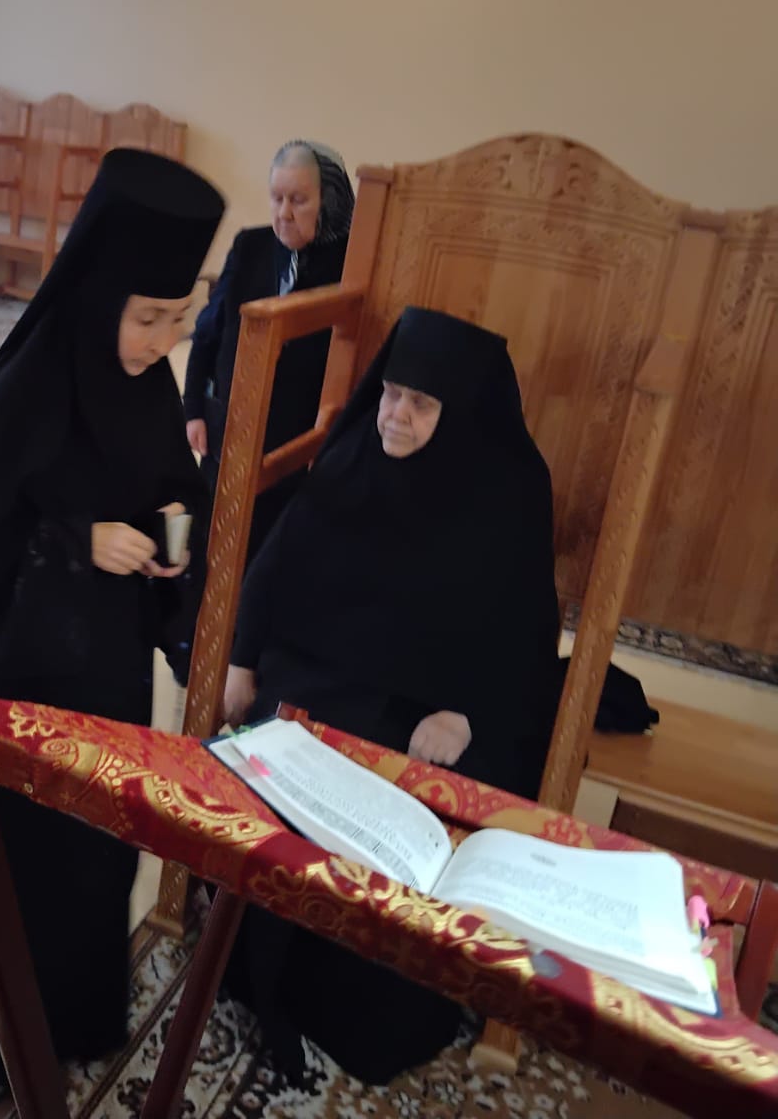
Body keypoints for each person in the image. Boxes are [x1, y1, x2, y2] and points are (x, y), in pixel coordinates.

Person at [0, 148, 226, 1085]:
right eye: (148, 317)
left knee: (90, 853)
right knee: (17, 856)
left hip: (104, 668)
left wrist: (171, 541)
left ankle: (72, 1017)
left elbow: (171, 488)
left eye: (178, 318)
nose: (163, 340)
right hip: (13, 675)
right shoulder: (27, 384)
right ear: (99, 295)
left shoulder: (149, 385)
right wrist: (78, 540)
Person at [220, 306, 564, 1085]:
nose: (394, 415)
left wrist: (465, 713)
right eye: (391, 393)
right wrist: (241, 659)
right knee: (280, 769)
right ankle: (256, 971)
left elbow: (521, 636)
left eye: (420, 403)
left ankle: (349, 1006)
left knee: (416, 802)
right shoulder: (354, 457)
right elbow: (278, 562)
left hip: (425, 708)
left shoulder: (508, 493)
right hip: (318, 682)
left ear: (459, 415)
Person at [183, 139, 354, 558]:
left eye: (299, 200)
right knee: (208, 545)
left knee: (267, 552)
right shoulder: (251, 246)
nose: (284, 213)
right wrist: (193, 407)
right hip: (229, 430)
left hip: (293, 446)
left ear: (329, 200)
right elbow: (208, 332)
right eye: (277, 198)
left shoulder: (351, 262)